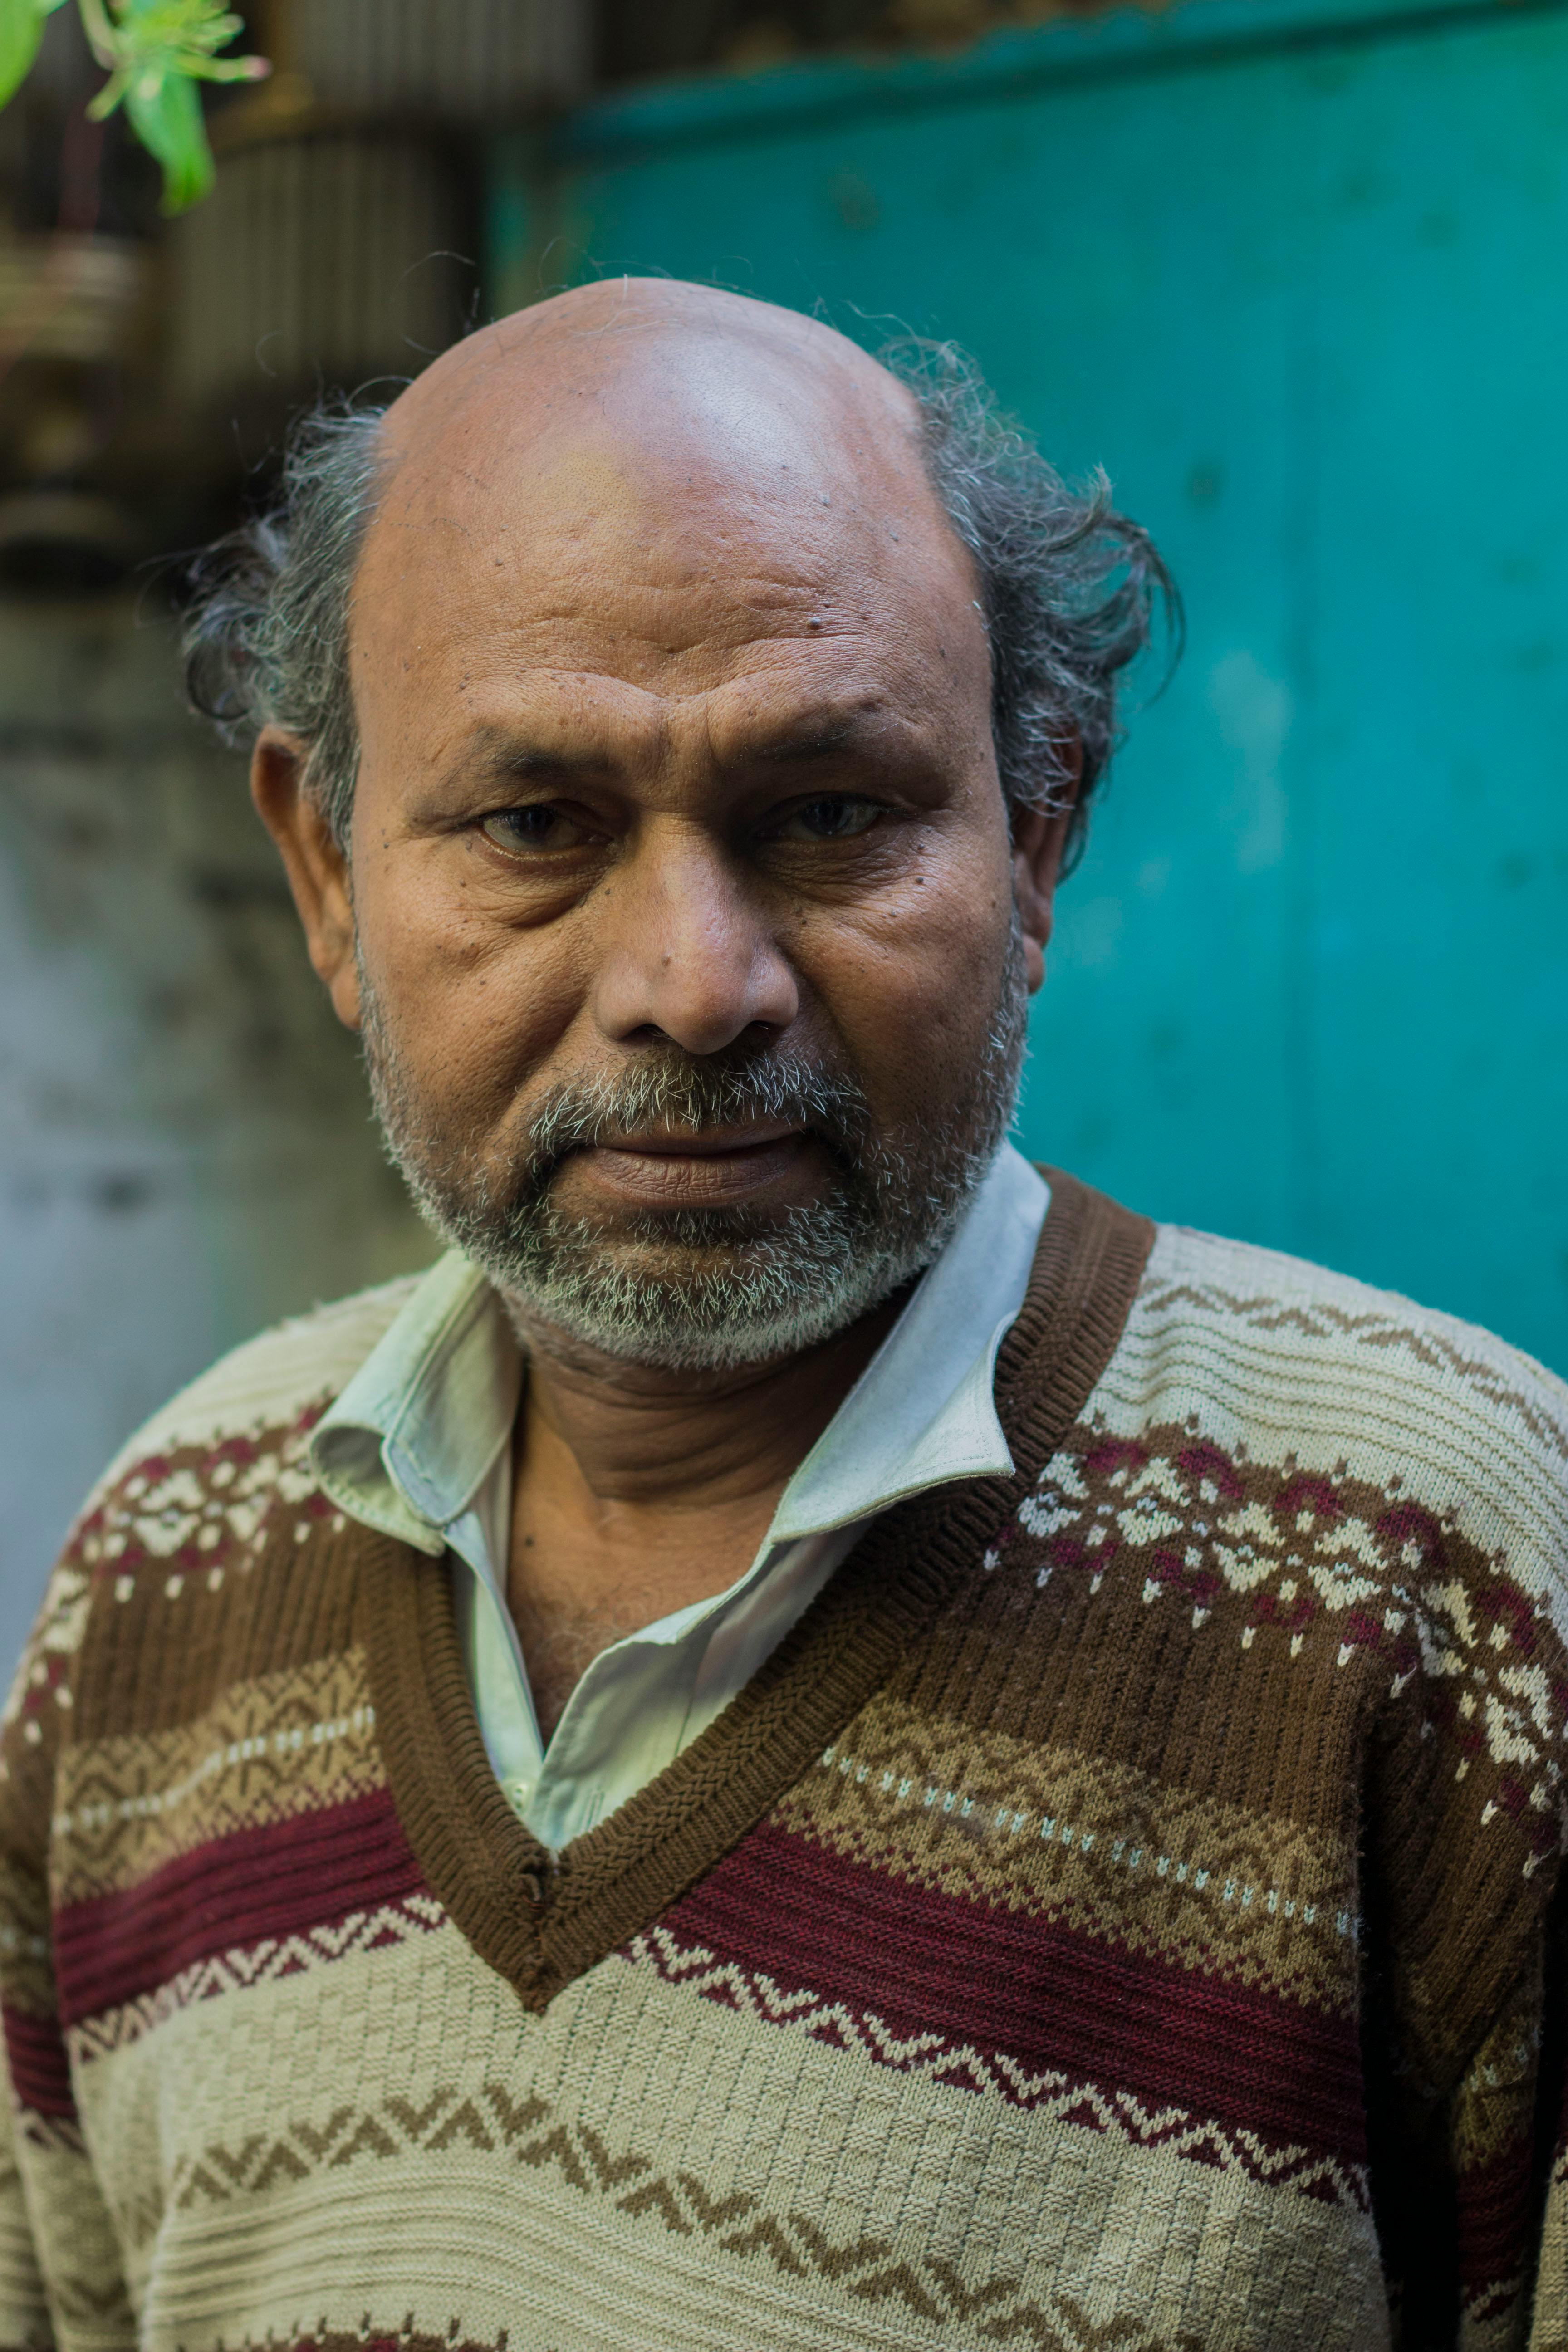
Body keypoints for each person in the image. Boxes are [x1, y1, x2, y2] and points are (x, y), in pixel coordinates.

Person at [0, 278, 1562, 2352]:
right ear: (327, 876)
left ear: (1038, 850)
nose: (694, 980)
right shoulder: (161, 1577)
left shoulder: (1449, 1569)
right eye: (537, 825)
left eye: (829, 813)